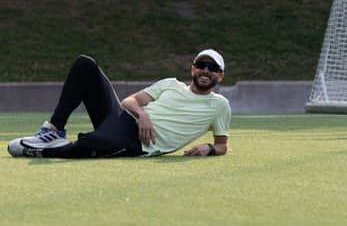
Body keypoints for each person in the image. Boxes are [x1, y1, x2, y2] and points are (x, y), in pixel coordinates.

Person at [7, 50, 231, 158]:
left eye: (213, 68)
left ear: (220, 76)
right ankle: (53, 131)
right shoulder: (170, 84)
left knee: (92, 144)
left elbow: (222, 145)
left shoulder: (220, 106)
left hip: (139, 143)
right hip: (122, 118)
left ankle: (43, 152)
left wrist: (209, 148)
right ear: (193, 68)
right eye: (202, 64)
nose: (206, 70)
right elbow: (129, 101)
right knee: (85, 65)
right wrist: (142, 114)